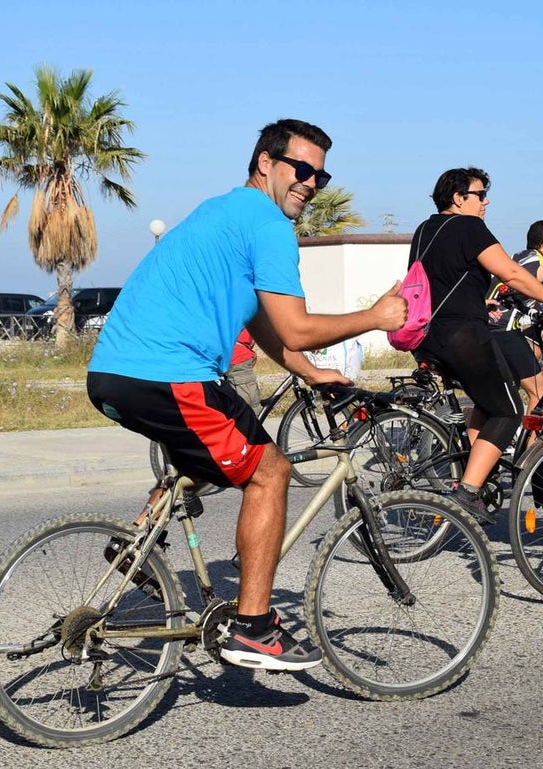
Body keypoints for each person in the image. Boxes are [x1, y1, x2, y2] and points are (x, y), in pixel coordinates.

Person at [87, 118, 407, 672]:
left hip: (116, 374)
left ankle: (140, 539)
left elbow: (268, 327)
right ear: (266, 162)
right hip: (169, 372)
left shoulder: (222, 211)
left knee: (221, 453)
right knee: (270, 471)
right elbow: (300, 325)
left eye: (321, 176)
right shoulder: (269, 225)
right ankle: (254, 628)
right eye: (301, 169)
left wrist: (309, 372)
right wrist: (375, 317)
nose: (310, 183)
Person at [411, 169, 543, 525]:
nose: (485, 201)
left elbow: (436, 282)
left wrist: (479, 303)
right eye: (480, 193)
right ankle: (468, 491)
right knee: (509, 411)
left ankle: (480, 470)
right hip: (463, 337)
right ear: (458, 198)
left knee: (487, 401)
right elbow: (513, 274)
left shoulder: (425, 229)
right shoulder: (470, 227)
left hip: (428, 336)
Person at [486, 220, 543, 414]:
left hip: (490, 327)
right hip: (504, 331)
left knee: (498, 399)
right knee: (540, 393)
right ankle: (532, 445)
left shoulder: (518, 258)